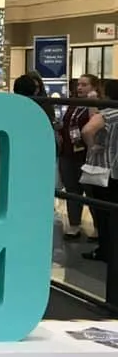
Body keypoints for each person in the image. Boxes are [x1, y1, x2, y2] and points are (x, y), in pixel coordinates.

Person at [58, 74, 100, 240]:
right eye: (79, 84)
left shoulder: (96, 104)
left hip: (87, 156)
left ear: (94, 87)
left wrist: (93, 102)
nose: (80, 88)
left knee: (91, 193)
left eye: (84, 85)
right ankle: (74, 225)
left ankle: (98, 227)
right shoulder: (73, 103)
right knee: (72, 190)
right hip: (68, 153)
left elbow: (95, 122)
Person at [81, 79, 118, 263]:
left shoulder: (108, 113)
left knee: (104, 214)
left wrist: (92, 145)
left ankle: (105, 251)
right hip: (116, 171)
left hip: (104, 171)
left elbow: (87, 130)